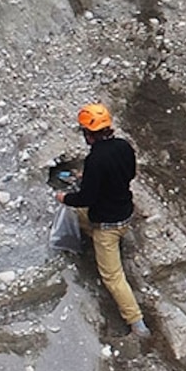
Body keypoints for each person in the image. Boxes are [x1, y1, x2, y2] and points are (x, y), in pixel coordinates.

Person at [64, 103, 148, 342]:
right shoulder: (124, 146)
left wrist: (64, 198)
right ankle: (89, 242)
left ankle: (138, 325)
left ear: (88, 133)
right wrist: (90, 177)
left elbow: (85, 199)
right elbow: (128, 174)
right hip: (125, 212)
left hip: (107, 227)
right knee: (84, 219)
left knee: (113, 277)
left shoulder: (95, 160)